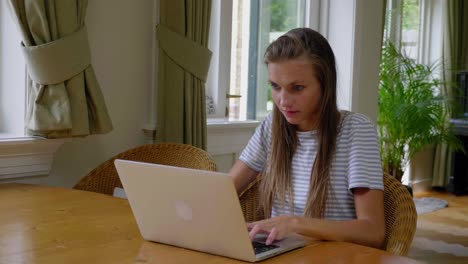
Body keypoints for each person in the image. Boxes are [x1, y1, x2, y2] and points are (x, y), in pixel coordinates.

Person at [229, 28, 385, 249]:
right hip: (281, 254)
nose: (283, 101)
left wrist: (294, 223)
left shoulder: (355, 131)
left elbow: (373, 231)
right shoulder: (270, 128)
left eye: (297, 88)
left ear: (325, 85)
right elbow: (224, 190)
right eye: (275, 87)